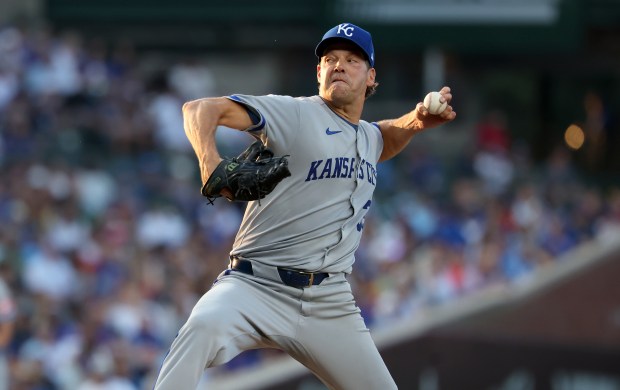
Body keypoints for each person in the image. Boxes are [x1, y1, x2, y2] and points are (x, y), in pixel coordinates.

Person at [154, 22, 456, 389]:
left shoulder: (366, 136)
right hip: (255, 285)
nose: (339, 65)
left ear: (371, 76)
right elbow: (199, 109)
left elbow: (384, 138)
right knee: (199, 330)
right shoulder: (295, 114)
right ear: (318, 72)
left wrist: (417, 120)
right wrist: (208, 162)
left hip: (328, 302)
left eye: (351, 60)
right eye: (330, 59)